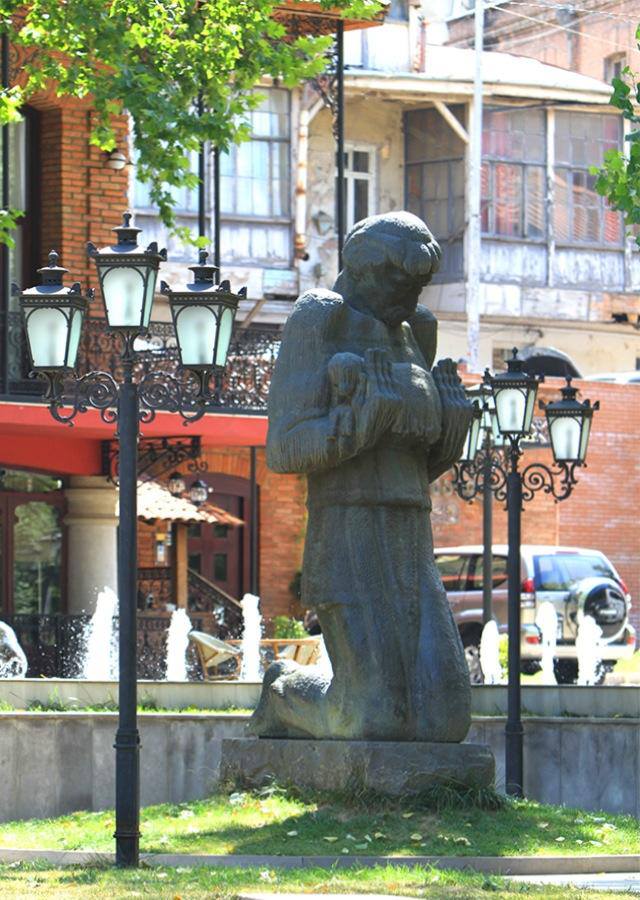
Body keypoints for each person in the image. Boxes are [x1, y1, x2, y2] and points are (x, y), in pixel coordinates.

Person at [249, 211, 472, 742]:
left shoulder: (417, 330)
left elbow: (417, 465)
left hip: (411, 539)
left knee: (446, 718)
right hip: (347, 534)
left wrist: (450, 435)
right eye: (403, 283)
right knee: (374, 717)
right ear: (362, 268)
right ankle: (284, 690)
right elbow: (284, 448)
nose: (412, 298)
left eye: (420, 286)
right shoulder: (320, 317)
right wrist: (358, 428)